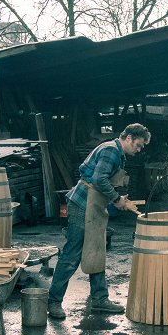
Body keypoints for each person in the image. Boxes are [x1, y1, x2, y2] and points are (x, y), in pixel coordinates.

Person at [48, 123, 151, 319]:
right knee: (72, 254)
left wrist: (120, 199)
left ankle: (99, 299)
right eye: (138, 145)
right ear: (128, 138)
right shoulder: (111, 151)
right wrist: (116, 199)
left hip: (94, 205)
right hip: (81, 205)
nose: (138, 150)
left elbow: (105, 182)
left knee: (97, 249)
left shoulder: (118, 154)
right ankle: (53, 301)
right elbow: (99, 181)